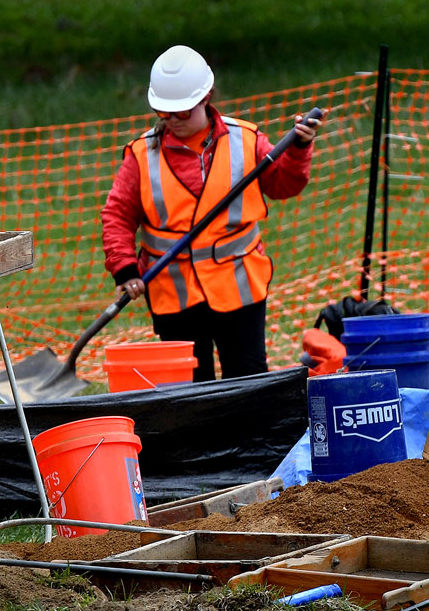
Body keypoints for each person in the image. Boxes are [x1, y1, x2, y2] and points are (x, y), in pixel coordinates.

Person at [101, 45, 324, 383]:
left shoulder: (245, 139)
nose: (173, 122)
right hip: (173, 292)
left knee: (248, 379)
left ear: (206, 97)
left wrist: (298, 151)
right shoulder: (141, 156)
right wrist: (124, 268)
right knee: (189, 388)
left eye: (182, 113)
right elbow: (117, 215)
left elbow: (283, 185)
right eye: (164, 114)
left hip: (239, 284)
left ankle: (253, 437)